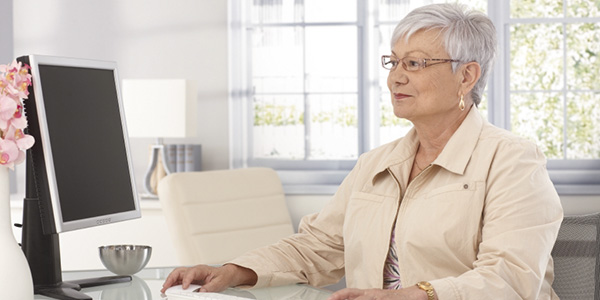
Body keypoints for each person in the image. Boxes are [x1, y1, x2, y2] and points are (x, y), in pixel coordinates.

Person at [161, 3, 563, 299]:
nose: (395, 78)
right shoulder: (376, 164)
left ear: (467, 75)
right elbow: (317, 246)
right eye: (393, 62)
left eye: (416, 63)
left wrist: (408, 296)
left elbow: (511, 278)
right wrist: (232, 270)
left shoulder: (513, 161)